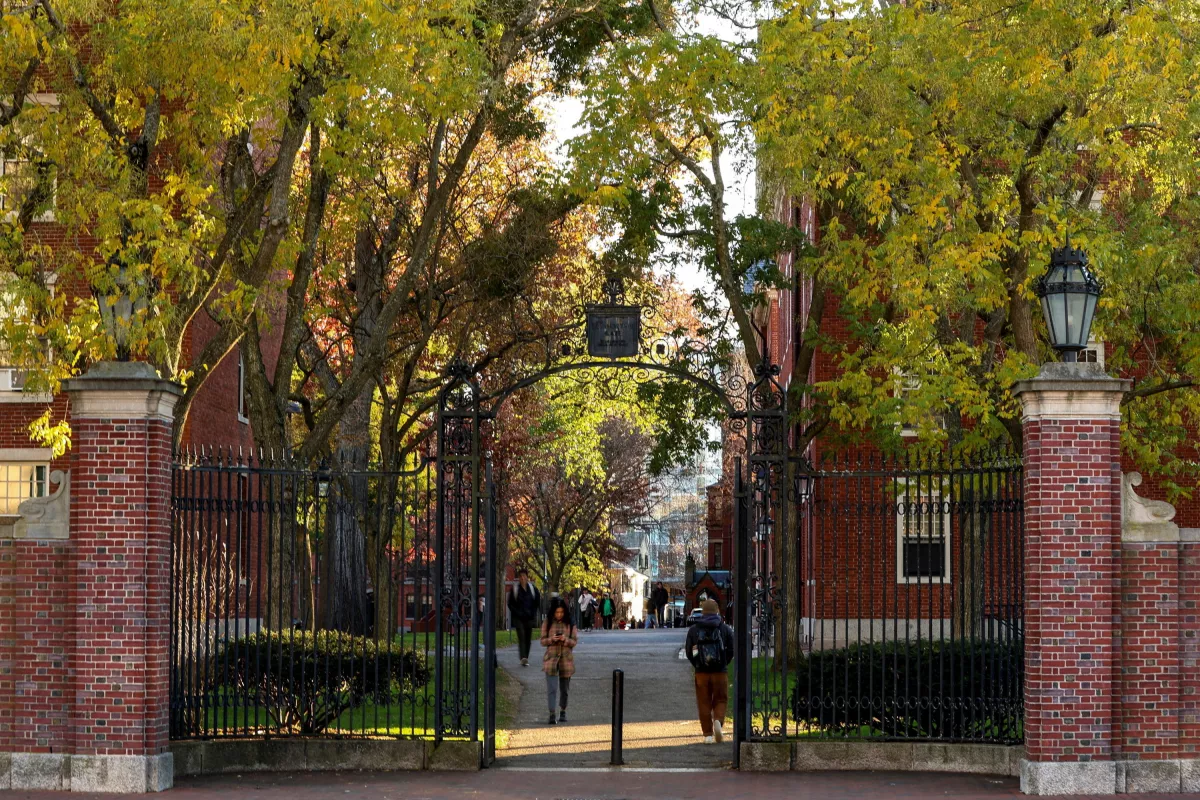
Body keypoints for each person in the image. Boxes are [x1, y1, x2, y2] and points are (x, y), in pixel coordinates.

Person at [685, 598, 735, 744]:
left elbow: (689, 651)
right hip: (720, 671)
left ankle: (707, 734)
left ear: (703, 612)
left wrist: (697, 664)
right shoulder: (724, 629)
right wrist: (724, 662)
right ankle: (718, 720)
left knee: (703, 702)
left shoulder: (694, 630)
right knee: (721, 699)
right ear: (717, 611)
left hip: (701, 673)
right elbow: (731, 649)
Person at [540, 597, 578, 725]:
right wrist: (552, 639)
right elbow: (542, 641)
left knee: (564, 689)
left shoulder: (570, 623)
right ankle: (552, 713)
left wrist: (565, 639)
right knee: (552, 688)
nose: (559, 614)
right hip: (551, 658)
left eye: (561, 612)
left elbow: (574, 642)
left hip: (566, 659)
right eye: (557, 612)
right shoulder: (548, 622)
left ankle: (563, 710)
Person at [507, 569, 540, 667]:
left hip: (529, 617)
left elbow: (537, 602)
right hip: (518, 618)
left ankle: (526, 657)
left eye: (524, 576)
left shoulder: (532, 589)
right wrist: (516, 612)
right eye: (520, 576)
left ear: (527, 577)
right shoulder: (515, 589)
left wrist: (533, 613)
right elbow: (510, 603)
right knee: (521, 636)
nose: (522, 578)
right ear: (518, 578)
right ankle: (523, 657)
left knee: (528, 638)